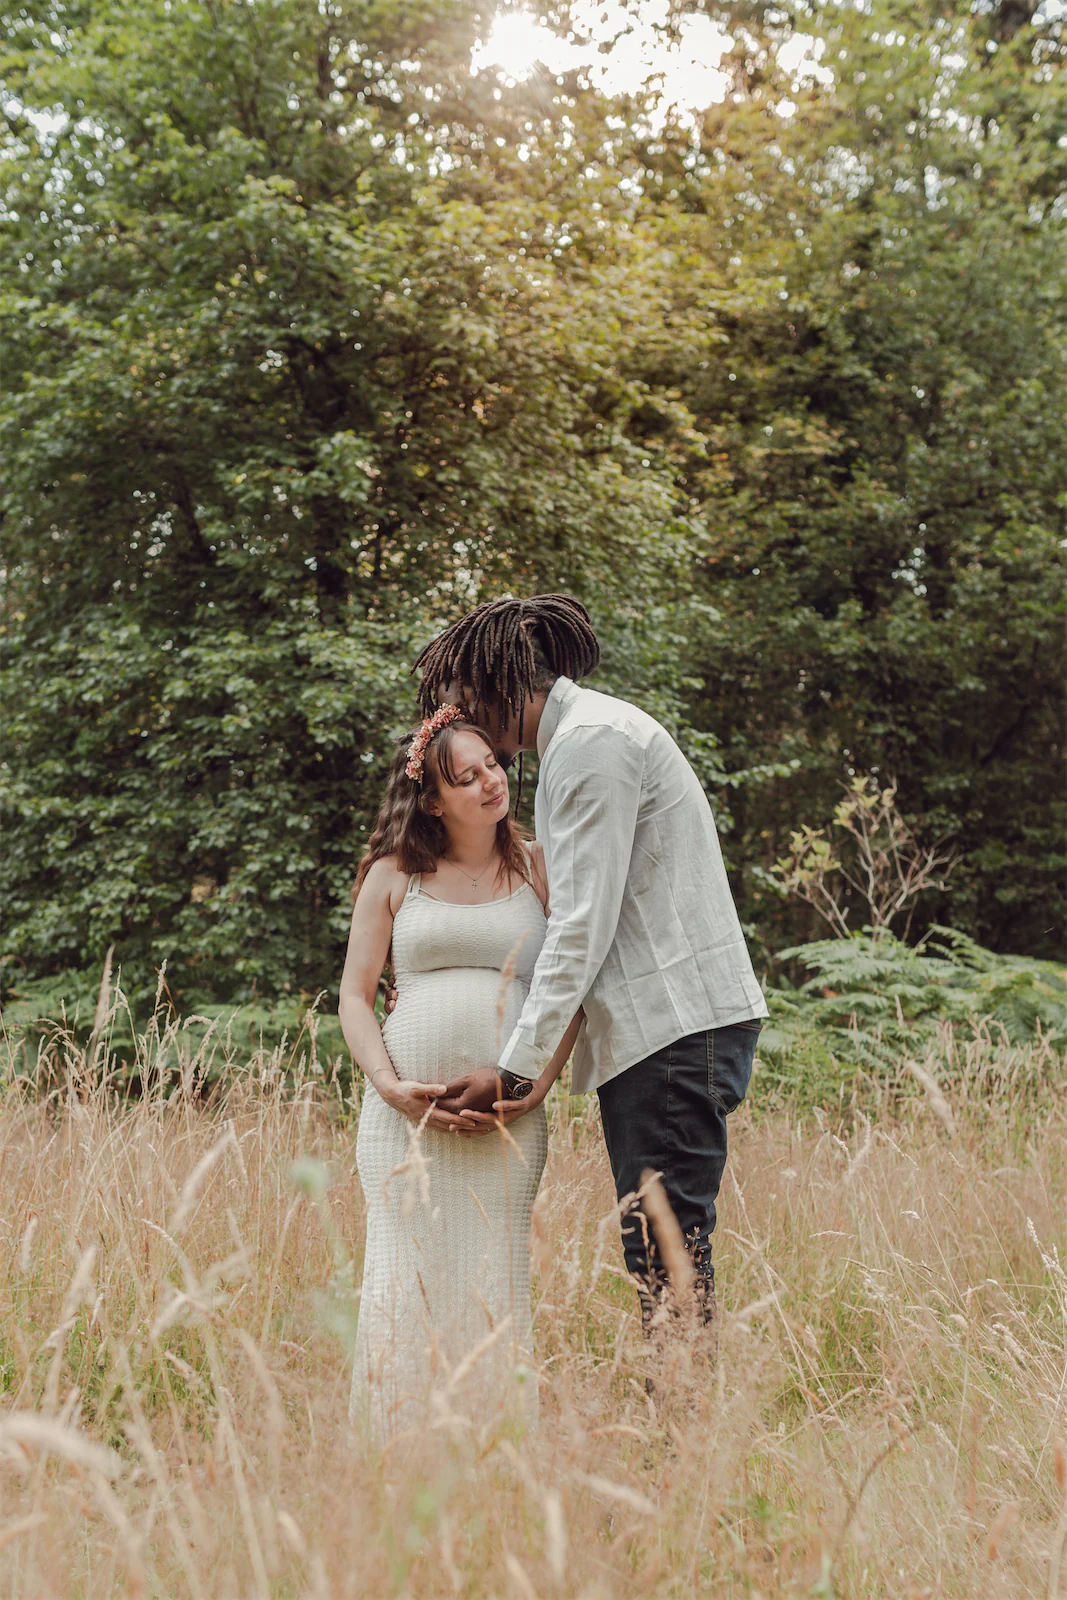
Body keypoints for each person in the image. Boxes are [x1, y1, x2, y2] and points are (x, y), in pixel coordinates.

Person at [410, 594, 768, 1335]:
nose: (461, 721)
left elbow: (579, 927)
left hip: (670, 1030)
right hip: (664, 1030)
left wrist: (514, 1071)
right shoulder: (583, 740)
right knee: (662, 1245)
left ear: (501, 683)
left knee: (666, 1248)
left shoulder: (591, 744)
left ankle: (683, 1409)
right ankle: (682, 1403)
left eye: (464, 703)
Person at [338, 706, 580, 1438]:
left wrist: (531, 1086)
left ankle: (492, 1455)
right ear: (434, 801)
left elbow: (570, 988)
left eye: (493, 765)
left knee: (492, 1279)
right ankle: (392, 1453)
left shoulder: (538, 866)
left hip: (507, 1123)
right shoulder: (393, 875)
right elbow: (354, 996)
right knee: (400, 1282)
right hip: (403, 1128)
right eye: (466, 777)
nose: (490, 782)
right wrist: (389, 1086)